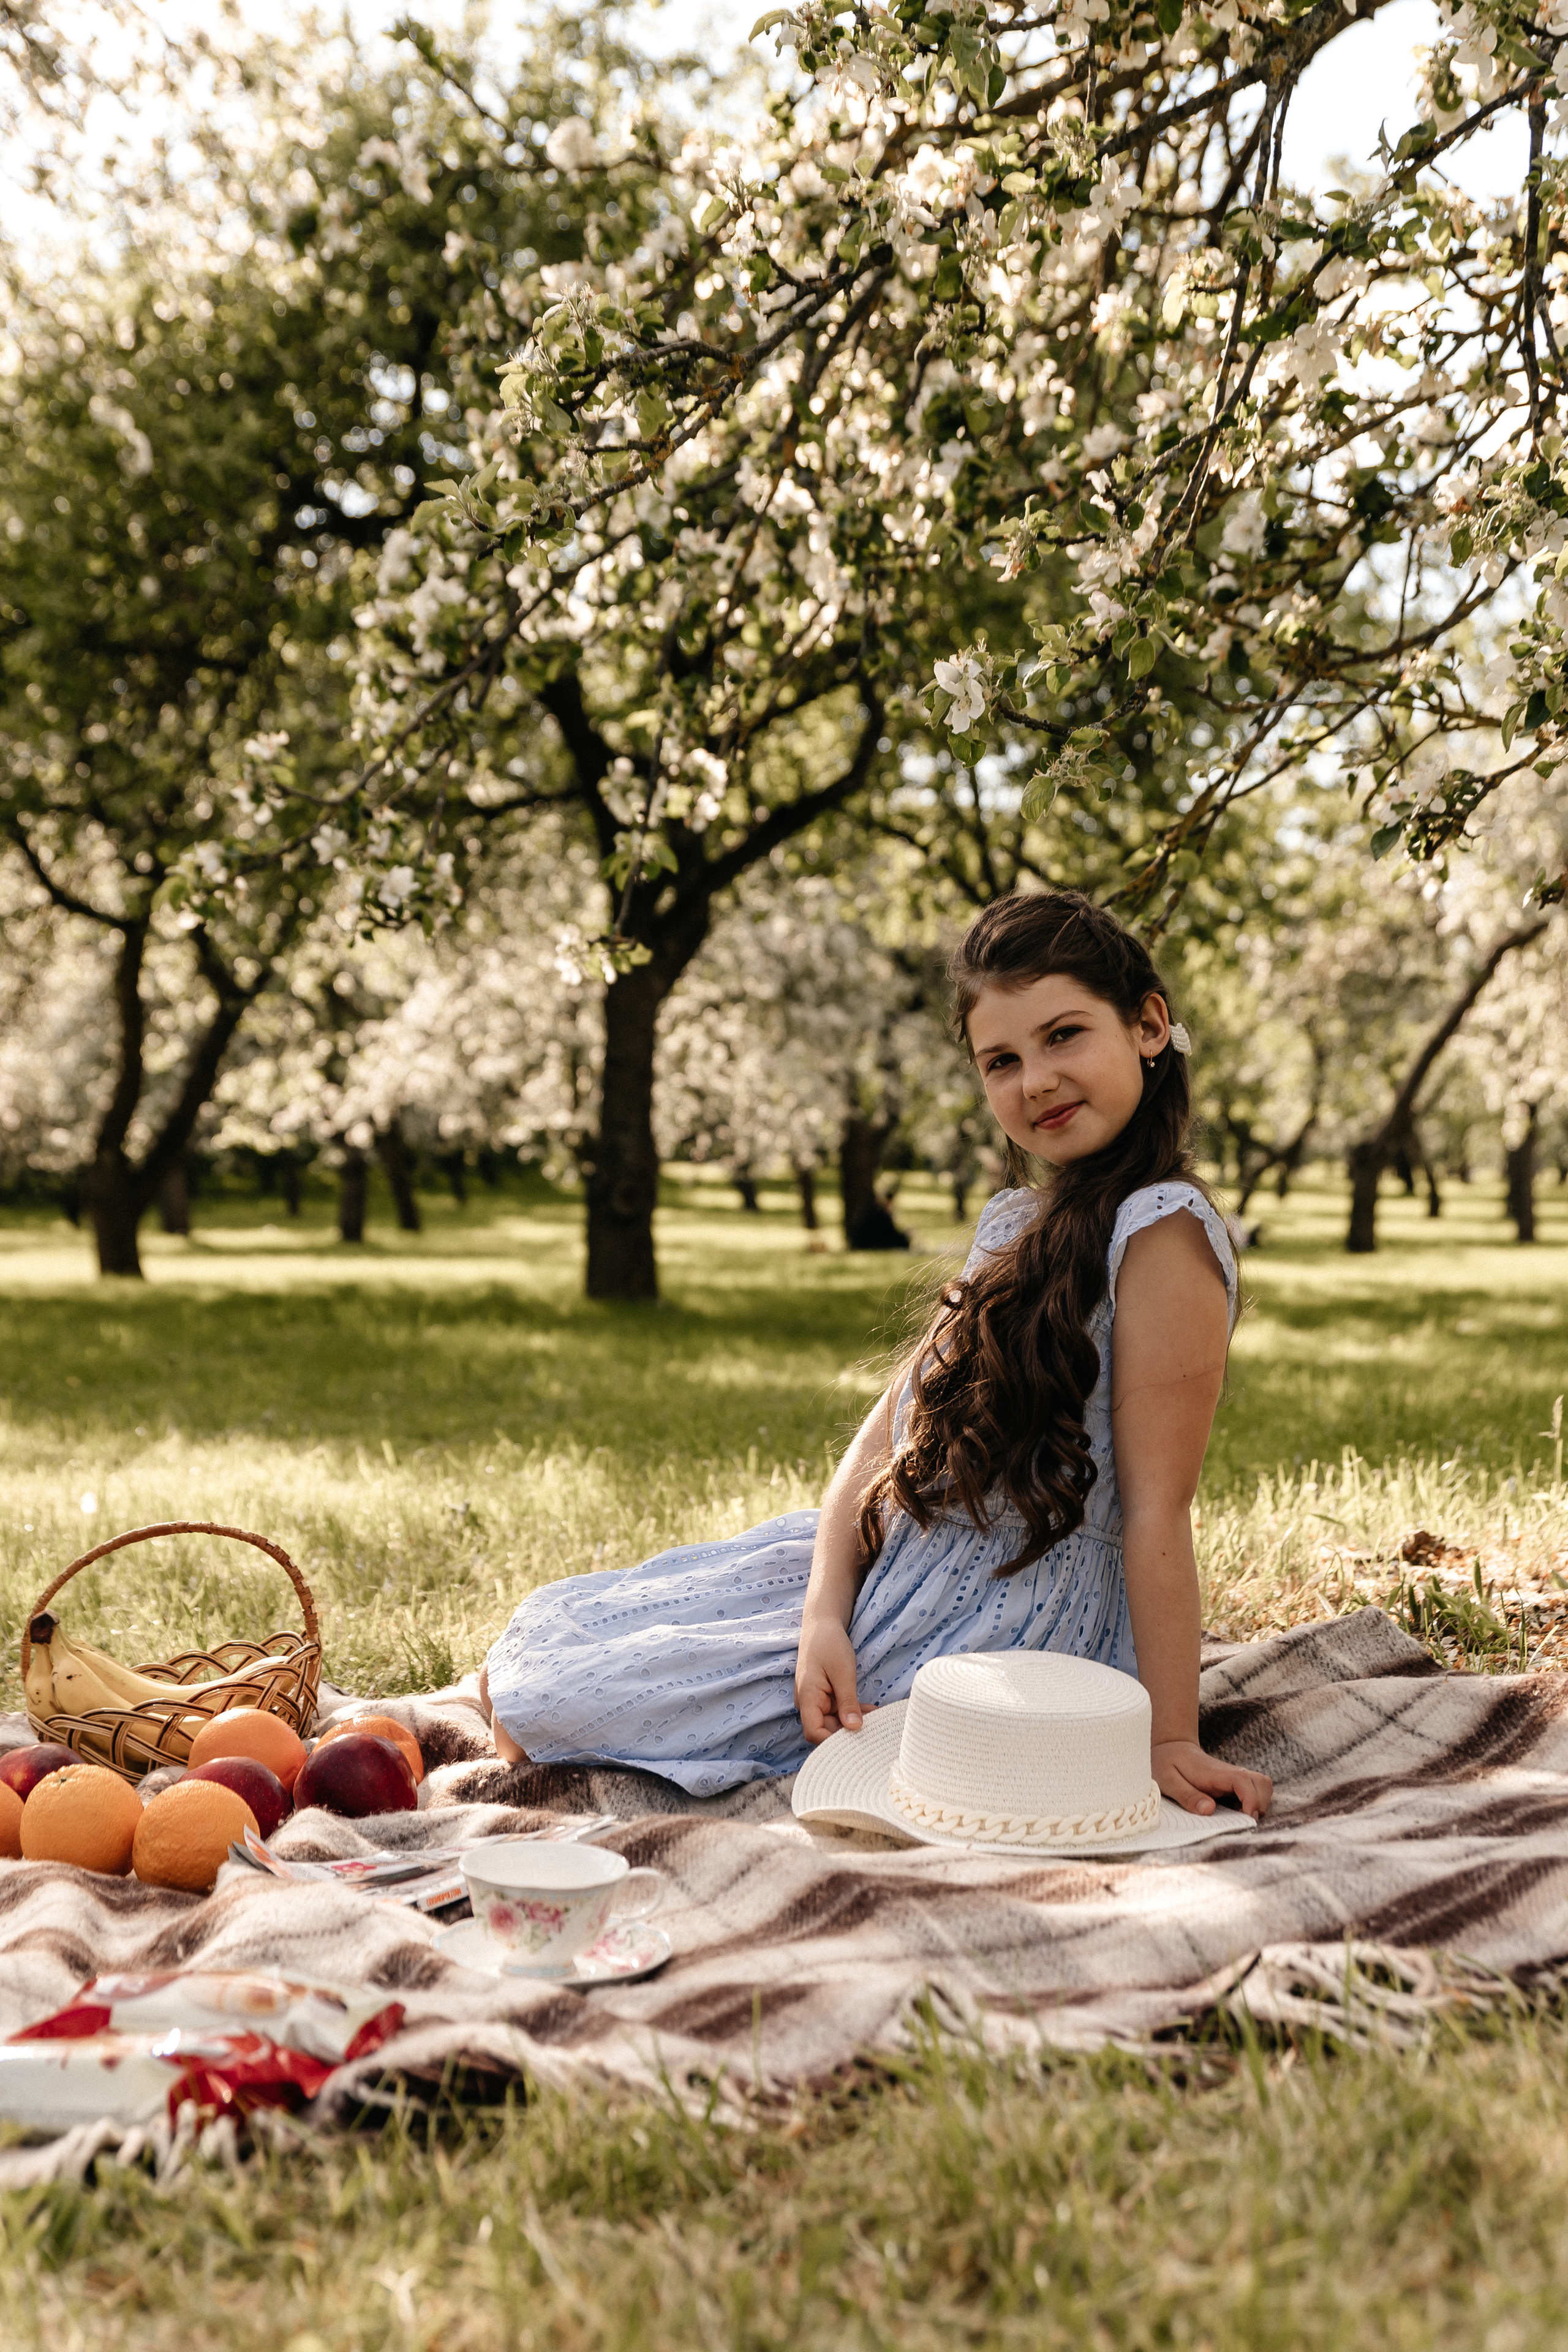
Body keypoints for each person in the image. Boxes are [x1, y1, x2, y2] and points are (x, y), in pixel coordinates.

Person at [480, 890, 1273, 1823]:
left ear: (1147, 1027)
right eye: (1002, 1061)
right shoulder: (1020, 1225)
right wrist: (824, 1611)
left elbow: (1157, 1510)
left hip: (1003, 1628)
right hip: (905, 1563)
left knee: (546, 1708)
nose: (1037, 1081)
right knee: (542, 1648)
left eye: (1064, 1036)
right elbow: (884, 1440)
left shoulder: (1163, 1235)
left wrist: (1169, 1738)